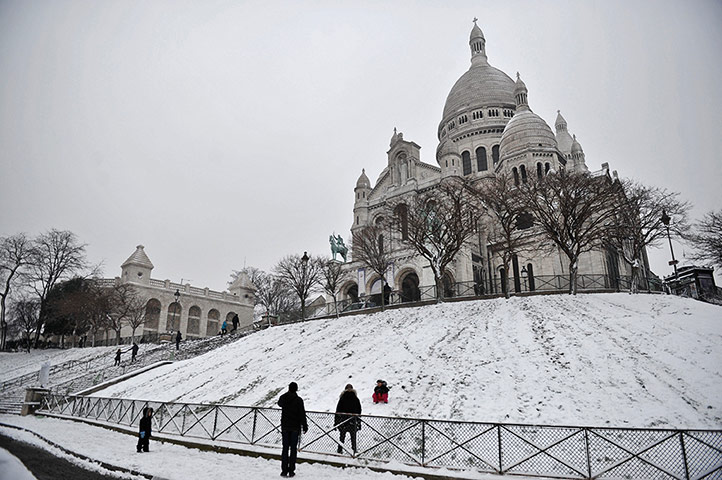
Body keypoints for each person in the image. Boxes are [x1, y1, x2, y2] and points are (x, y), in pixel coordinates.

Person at [278, 382, 308, 477]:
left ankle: (284, 470)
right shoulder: (299, 400)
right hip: (295, 427)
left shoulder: (284, 398)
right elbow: (302, 413)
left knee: (285, 448)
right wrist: (305, 425)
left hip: (285, 426)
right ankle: (291, 470)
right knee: (293, 449)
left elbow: (279, 403)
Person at [334, 384, 361, 454]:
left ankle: (340, 449)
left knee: (342, 437)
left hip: (343, 421)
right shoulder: (356, 399)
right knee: (353, 437)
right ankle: (354, 450)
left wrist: (336, 422)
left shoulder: (342, 398)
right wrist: (359, 422)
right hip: (353, 421)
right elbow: (359, 411)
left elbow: (338, 410)